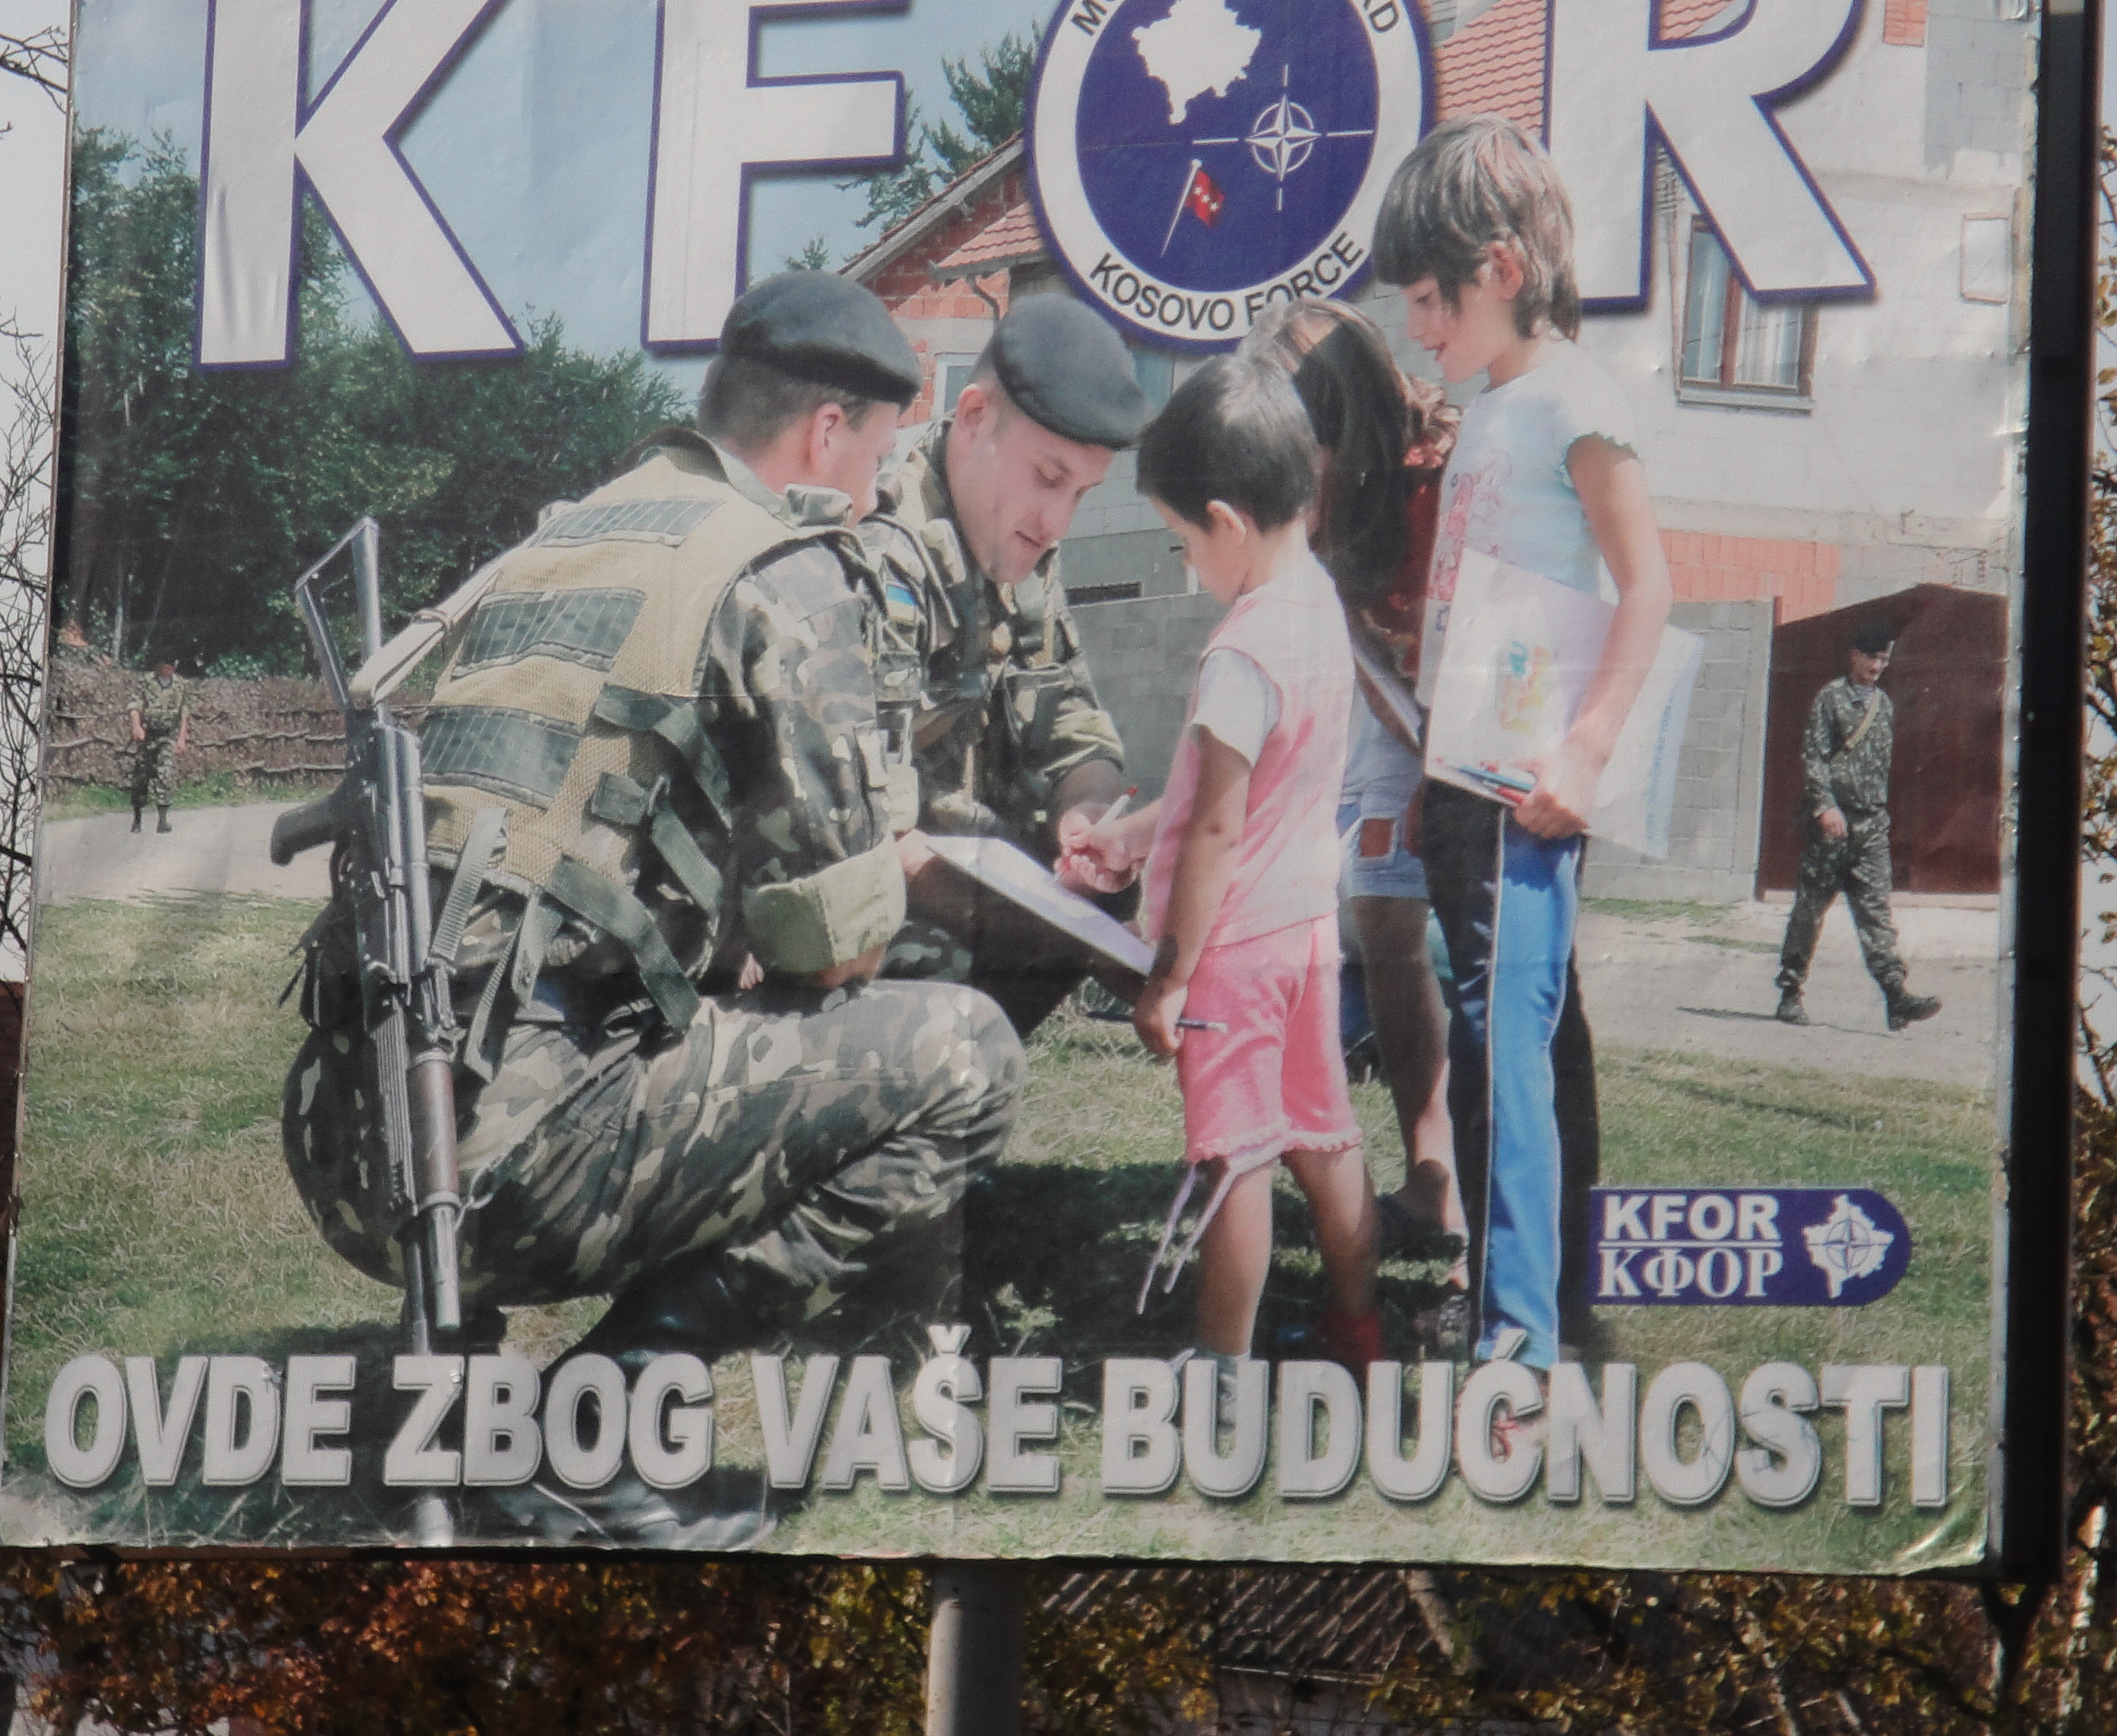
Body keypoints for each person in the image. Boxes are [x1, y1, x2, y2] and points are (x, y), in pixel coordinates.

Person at [278, 271, 1025, 1542]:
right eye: (875, 458)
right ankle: (603, 1430)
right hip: (503, 1162)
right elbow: (838, 950)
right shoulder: (780, 568)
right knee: (965, 1053)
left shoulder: (560, 537)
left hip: (354, 1139)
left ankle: (451, 1403)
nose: (872, 494)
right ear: (826, 432)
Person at [1374, 113, 1672, 1369]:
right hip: (1464, 771)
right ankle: (1531, 1298)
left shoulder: (1573, 403)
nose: (1415, 328)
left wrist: (1587, 751)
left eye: (1428, 300)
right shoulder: (1493, 406)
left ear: (1501, 269)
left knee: (1505, 1039)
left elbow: (1647, 585)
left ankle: (1519, 1335)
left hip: (1524, 788)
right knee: (1511, 1033)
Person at [1075, 355, 1381, 1376]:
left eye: (1181, 539)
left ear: (1226, 521)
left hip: (1234, 954)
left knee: (1234, 1157)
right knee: (1324, 1138)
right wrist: (1132, 835)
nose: (1185, 562)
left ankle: (1220, 1362)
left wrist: (1169, 978)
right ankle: (1358, 1327)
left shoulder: (1240, 653)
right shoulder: (1319, 603)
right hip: (1306, 936)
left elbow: (1215, 830)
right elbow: (1240, 788)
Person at [864, 292, 1151, 1030]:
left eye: (1081, 494)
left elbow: (1073, 723)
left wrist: (1089, 825)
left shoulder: (1019, 541)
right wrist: (1034, 923)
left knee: (1117, 893)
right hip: (875, 890)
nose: (1058, 523)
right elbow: (861, 839)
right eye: (1049, 479)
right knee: (943, 968)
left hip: (978, 874)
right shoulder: (876, 551)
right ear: (973, 418)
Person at [1250, 300, 1465, 1259]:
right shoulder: (1317, 501)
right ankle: (1430, 1168)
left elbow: (1476, 647)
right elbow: (1362, 656)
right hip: (1402, 707)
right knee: (1379, 915)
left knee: (1476, 930)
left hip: (1477, 703)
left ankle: (1481, 1197)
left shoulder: (1438, 478)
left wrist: (1445, 777)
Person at [1777, 619, 1942, 1029]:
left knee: (1876, 913)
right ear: (1854, 655)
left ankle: (1896, 996)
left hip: (1870, 827)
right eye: (1871, 657)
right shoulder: (1831, 698)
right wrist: (1824, 807)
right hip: (1832, 827)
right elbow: (1814, 756)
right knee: (1810, 910)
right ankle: (1790, 992)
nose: (1877, 666)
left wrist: (1878, 817)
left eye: (1884, 658)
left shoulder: (1884, 705)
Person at [126, 660, 192, 834]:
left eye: (172, 666)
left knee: (166, 774)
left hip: (168, 736)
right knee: (141, 776)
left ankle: (162, 820)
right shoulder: (146, 682)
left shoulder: (181, 685)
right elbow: (135, 706)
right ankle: (137, 819)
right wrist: (136, 726)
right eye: (166, 666)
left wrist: (182, 738)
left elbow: (184, 713)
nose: (169, 669)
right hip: (148, 734)